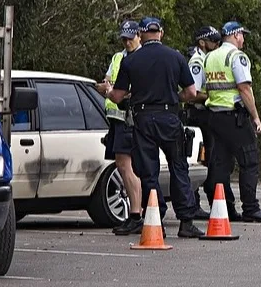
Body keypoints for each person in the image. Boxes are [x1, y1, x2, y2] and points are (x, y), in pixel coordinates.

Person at [104, 17, 204, 239]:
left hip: (143, 119)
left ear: (141, 34)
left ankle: (155, 218)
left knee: (148, 171)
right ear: (161, 32)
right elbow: (191, 93)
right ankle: (186, 221)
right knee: (178, 168)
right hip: (169, 117)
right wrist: (172, 97)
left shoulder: (131, 61)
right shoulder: (176, 57)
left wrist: (109, 92)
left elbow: (118, 95)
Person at [203, 21, 261, 222]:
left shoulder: (210, 57)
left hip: (215, 116)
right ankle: (251, 208)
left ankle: (224, 208)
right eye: (242, 35)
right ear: (235, 35)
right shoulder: (236, 56)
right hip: (234, 117)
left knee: (221, 165)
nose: (243, 39)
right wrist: (256, 116)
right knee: (249, 162)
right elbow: (244, 89)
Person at [95, 20, 145, 235]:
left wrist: (114, 91)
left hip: (130, 118)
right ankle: (135, 214)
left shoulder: (142, 58)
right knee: (123, 166)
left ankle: (136, 214)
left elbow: (137, 90)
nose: (127, 42)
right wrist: (105, 88)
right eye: (124, 38)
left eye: (130, 38)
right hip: (116, 119)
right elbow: (107, 82)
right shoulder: (118, 58)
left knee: (127, 166)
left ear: (139, 36)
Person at [184, 25, 235, 219]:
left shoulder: (209, 59)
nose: (217, 45)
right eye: (214, 42)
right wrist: (213, 96)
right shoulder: (197, 61)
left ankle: (214, 202)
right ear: (202, 42)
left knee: (213, 160)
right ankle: (194, 204)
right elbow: (193, 94)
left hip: (208, 115)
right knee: (200, 160)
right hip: (198, 117)